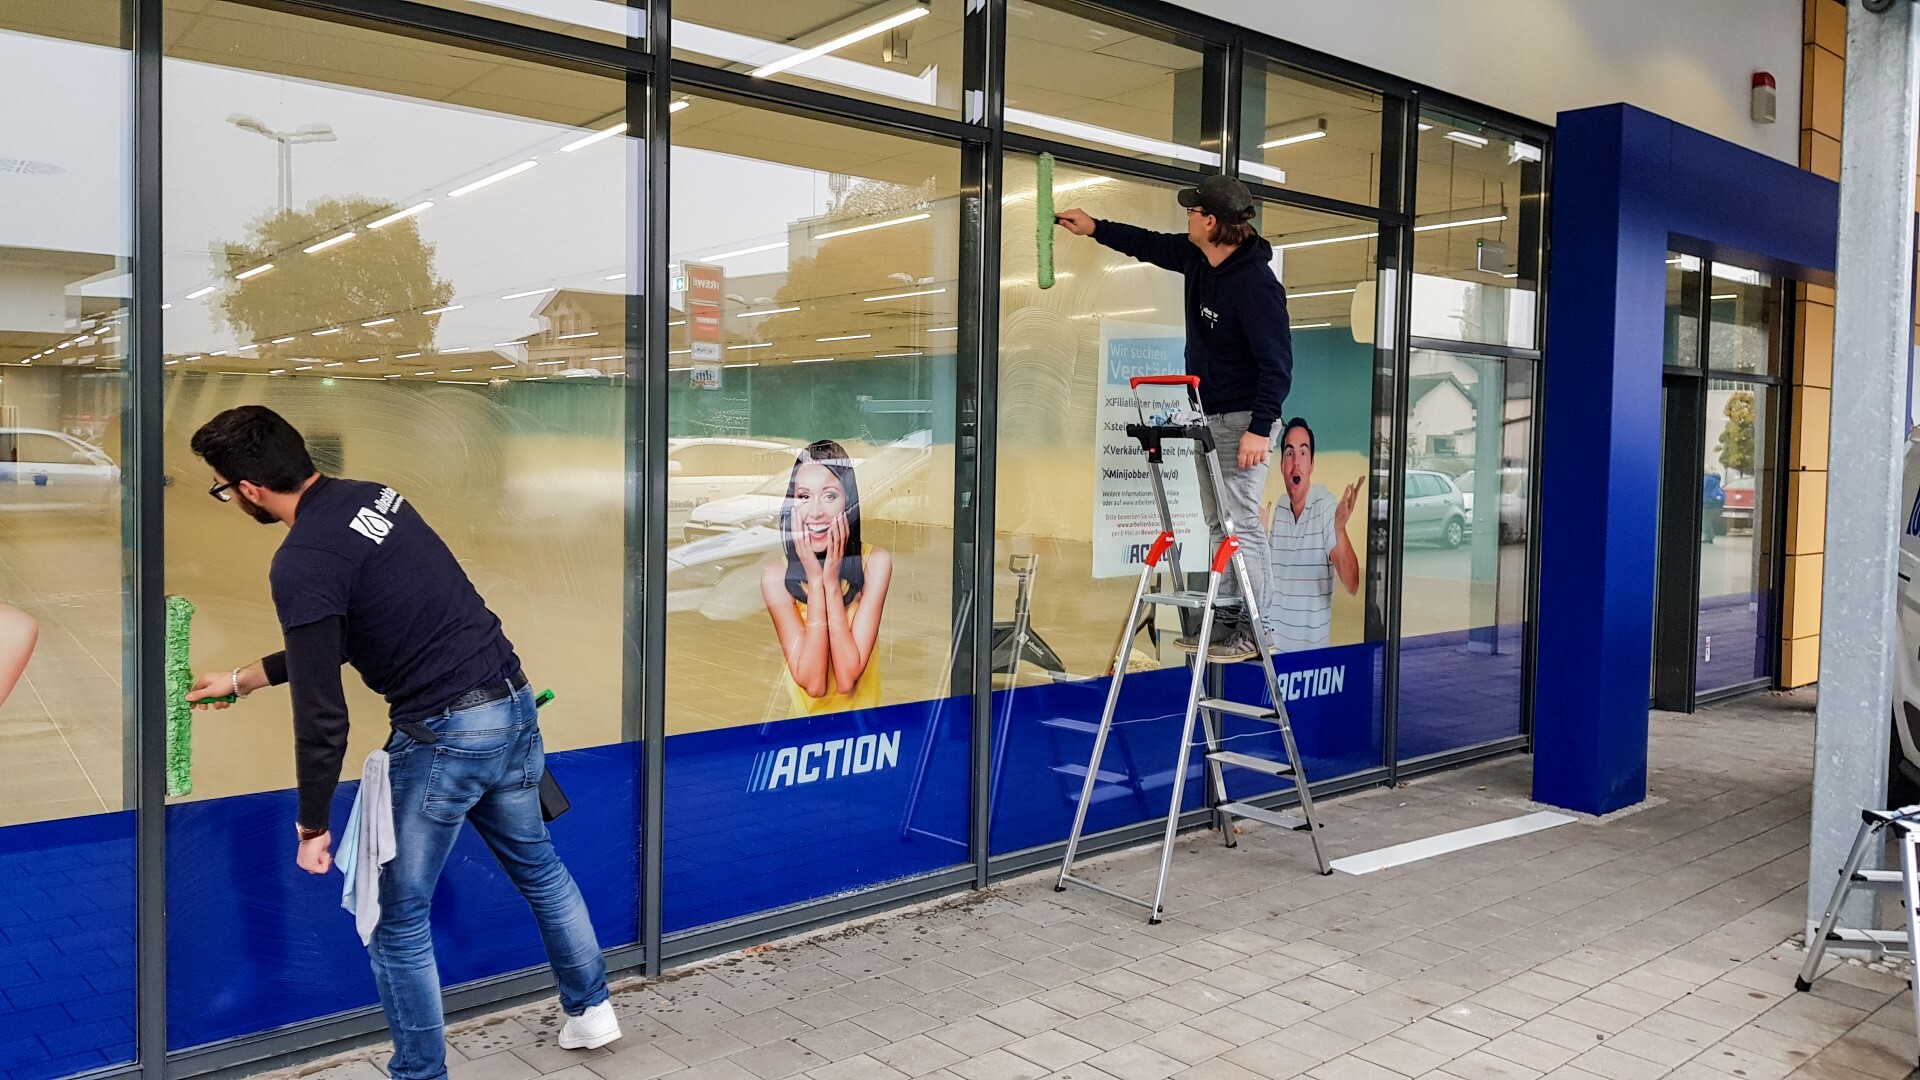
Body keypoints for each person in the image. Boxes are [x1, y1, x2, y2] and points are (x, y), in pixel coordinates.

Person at [182, 406, 618, 1080]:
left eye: (222, 487)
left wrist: (312, 825)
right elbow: (354, 628)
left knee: (395, 917)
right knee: (540, 868)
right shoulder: (374, 498)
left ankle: (419, 1072)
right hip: (510, 703)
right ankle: (591, 1010)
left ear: (248, 488)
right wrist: (246, 679)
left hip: (444, 734)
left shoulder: (301, 560)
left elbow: (323, 715)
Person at [1057, 174, 1293, 660]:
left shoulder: (1255, 285)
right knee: (1217, 523)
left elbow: (1278, 365)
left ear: (1211, 221)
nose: (1185, 218)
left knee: (1242, 522)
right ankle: (1228, 621)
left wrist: (1259, 428)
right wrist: (1094, 227)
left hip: (1244, 419)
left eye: (1192, 211)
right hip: (1209, 415)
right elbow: (1147, 244)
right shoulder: (1197, 258)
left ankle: (1260, 627)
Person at [761, 440, 893, 716]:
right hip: (804, 739)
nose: (816, 512)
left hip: (866, 739)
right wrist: (816, 579)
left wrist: (830, 581)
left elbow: (847, 678)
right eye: (804, 497)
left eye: (830, 496)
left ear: (849, 502)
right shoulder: (776, 578)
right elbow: (814, 684)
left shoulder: (875, 563)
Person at [1260, 419, 1361, 653]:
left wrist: (1339, 529)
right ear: (1282, 465)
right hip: (1272, 657)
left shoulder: (1326, 507)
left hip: (1308, 664)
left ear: (1312, 464)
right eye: (1289, 453)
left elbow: (1353, 584)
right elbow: (1266, 583)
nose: (1296, 462)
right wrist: (1261, 537)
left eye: (1303, 453)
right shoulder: (1280, 509)